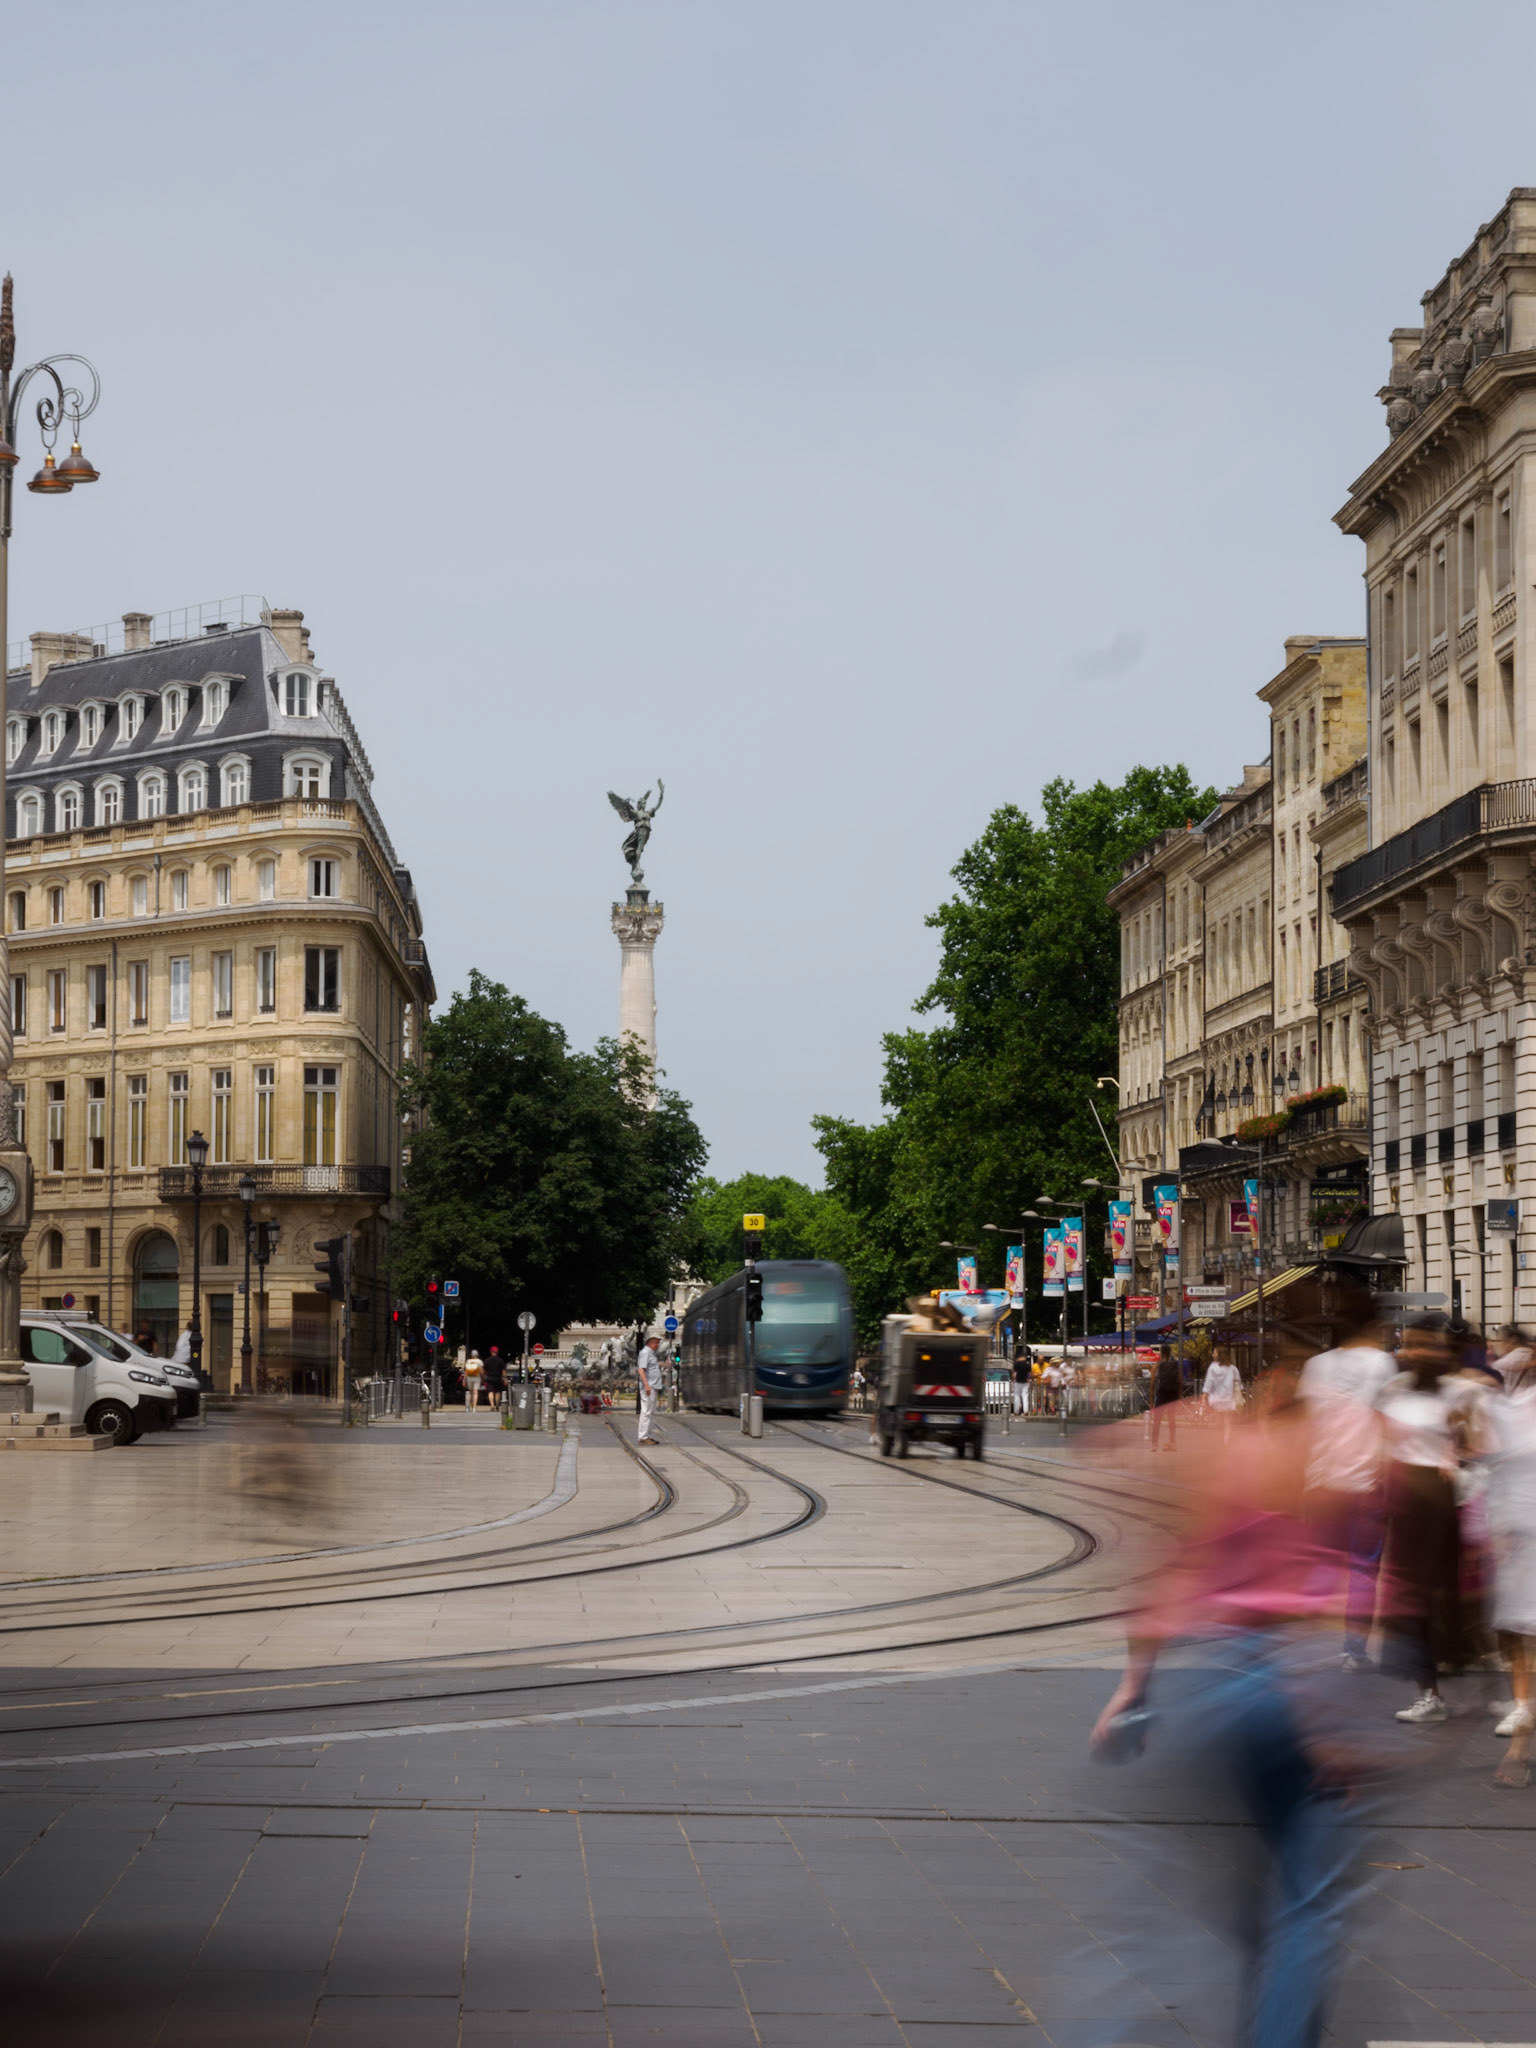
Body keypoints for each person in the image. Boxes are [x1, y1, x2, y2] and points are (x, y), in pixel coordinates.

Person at [1092, 1325, 1399, 2048]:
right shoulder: (1324, 1478)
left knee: (1220, 1899)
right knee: (1310, 1901)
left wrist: (1134, 1688)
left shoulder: (1229, 1468)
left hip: (1218, 1687)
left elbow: (1166, 1578)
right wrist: (1331, 1723)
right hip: (1291, 1688)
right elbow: (1339, 1597)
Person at [1379, 1314, 1475, 1724]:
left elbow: (1476, 1443)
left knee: (1439, 1598)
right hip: (1405, 1499)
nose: (1416, 1352)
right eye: (1410, 1343)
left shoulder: (1459, 1392)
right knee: (1408, 1600)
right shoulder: (1394, 1392)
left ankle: (1441, 1681)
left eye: (1425, 1344)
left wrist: (1456, 1457)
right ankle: (1428, 1692)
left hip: (1438, 1501)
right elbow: (1382, 1443)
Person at [1298, 1291, 1396, 1672]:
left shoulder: (1316, 1366)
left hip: (1321, 1486)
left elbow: (1305, 1429)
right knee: (1363, 1571)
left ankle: (1288, 1631)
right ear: (1372, 1325)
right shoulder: (1382, 1364)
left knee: (1323, 1565)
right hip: (1366, 1487)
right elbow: (1390, 1425)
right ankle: (1353, 1652)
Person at [1202, 1350, 1242, 1444]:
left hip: (1217, 1399)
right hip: (1229, 1399)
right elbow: (1238, 1383)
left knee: (1218, 1419)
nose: (1212, 1354)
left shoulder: (1213, 1367)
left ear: (1219, 1355)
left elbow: (1208, 1383)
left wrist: (1204, 1395)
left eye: (1214, 1353)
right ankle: (1226, 1438)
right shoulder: (1233, 1368)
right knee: (1228, 1421)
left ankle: (1219, 1438)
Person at [1149, 1343, 1181, 1450]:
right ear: (1170, 1352)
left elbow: (1152, 1384)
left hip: (1161, 1394)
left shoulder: (1157, 1366)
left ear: (1161, 1353)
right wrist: (1179, 1397)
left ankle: (1154, 1445)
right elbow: (1180, 1381)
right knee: (1171, 1419)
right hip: (1172, 1395)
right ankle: (1173, 1442)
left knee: (1157, 1420)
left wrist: (1151, 1400)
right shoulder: (1175, 1365)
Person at [637, 1332, 663, 1444]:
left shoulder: (651, 1354)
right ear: (651, 1342)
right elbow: (641, 1369)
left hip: (653, 1386)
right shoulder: (645, 1353)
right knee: (646, 1412)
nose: (658, 1345)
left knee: (650, 1412)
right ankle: (643, 1437)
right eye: (657, 1343)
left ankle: (647, 1435)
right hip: (649, 1387)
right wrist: (646, 1385)